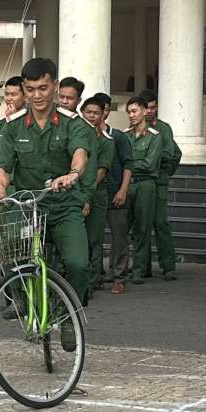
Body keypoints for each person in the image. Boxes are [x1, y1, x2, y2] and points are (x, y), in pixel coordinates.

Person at [0, 58, 92, 350]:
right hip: (27, 205)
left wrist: (72, 174)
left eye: (43, 88)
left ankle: (69, 317)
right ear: (24, 89)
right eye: (31, 89)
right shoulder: (12, 126)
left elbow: (80, 153)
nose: (37, 95)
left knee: (78, 263)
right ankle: (21, 298)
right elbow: (3, 166)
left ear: (54, 87)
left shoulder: (72, 123)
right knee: (9, 245)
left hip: (63, 205)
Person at [92, 94, 133, 294]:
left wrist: (123, 190)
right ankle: (96, 276)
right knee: (94, 238)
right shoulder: (83, 136)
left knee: (119, 238)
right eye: (91, 111)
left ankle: (119, 277)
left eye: (104, 110)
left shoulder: (118, 137)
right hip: (94, 195)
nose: (97, 115)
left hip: (115, 193)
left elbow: (128, 164)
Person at [139, 89, 181, 281]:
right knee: (141, 224)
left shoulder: (163, 128)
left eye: (153, 107)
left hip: (158, 181)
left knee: (160, 223)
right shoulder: (135, 127)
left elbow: (171, 154)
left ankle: (168, 265)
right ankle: (142, 266)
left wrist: (164, 172)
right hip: (141, 181)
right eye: (147, 108)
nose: (150, 111)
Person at [122, 96, 162, 287]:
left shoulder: (154, 136)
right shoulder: (125, 136)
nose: (131, 115)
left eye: (135, 111)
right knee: (123, 228)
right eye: (129, 112)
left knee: (143, 228)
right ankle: (121, 269)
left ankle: (138, 270)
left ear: (145, 111)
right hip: (127, 185)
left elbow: (149, 164)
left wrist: (128, 166)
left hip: (145, 185)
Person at [80, 95, 113, 291]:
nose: (92, 116)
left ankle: (92, 281)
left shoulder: (106, 141)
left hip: (96, 193)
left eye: (96, 113)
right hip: (75, 192)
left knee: (94, 239)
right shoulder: (77, 136)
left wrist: (87, 193)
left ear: (103, 116)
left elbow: (101, 171)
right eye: (89, 112)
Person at [0, 76, 25, 202]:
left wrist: (14, 120)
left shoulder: (31, 123)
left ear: (25, 96)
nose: (9, 98)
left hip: (24, 189)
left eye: (13, 94)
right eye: (6, 94)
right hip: (4, 190)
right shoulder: (0, 125)